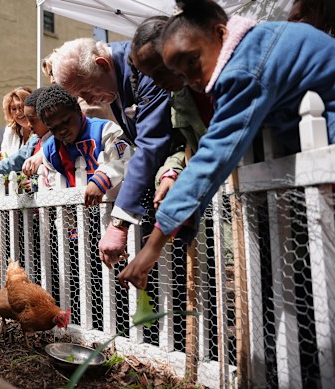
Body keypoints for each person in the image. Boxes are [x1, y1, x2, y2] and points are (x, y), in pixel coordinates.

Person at [118, 0, 335, 290]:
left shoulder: (243, 70)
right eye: (182, 75)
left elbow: (213, 155)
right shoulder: (259, 42)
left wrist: (155, 243)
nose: (193, 80)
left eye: (193, 62)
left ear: (220, 33)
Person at [47, 38, 173, 265]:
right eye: (81, 96)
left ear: (103, 63)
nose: (87, 100)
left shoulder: (142, 69)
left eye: (86, 90)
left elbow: (149, 144)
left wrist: (119, 222)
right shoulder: (112, 83)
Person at [129, 16, 212, 212]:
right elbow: (185, 147)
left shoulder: (227, 79)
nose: (157, 83)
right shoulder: (178, 98)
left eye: (161, 70)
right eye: (150, 77)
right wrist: (170, 173)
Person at [36, 85, 131, 208]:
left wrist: (102, 178)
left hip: (113, 208)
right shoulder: (50, 151)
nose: (62, 131)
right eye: (53, 128)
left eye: (66, 121)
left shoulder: (105, 130)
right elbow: (55, 186)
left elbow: (126, 159)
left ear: (77, 109)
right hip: (77, 216)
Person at [0, 87, 32, 162]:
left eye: (21, 107)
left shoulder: (40, 128)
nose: (18, 112)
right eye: (14, 109)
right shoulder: (10, 130)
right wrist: (1, 157)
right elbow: (7, 160)